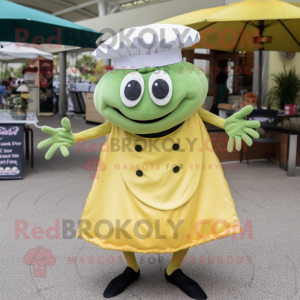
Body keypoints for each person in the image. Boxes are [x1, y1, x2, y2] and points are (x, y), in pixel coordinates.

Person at [38, 24, 260, 300]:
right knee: (123, 213)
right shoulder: (118, 115)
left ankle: (174, 269)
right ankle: (131, 267)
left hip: (182, 170)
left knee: (187, 214)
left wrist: (227, 124)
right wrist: (75, 137)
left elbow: (203, 114)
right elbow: (107, 127)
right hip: (129, 169)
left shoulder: (188, 106)